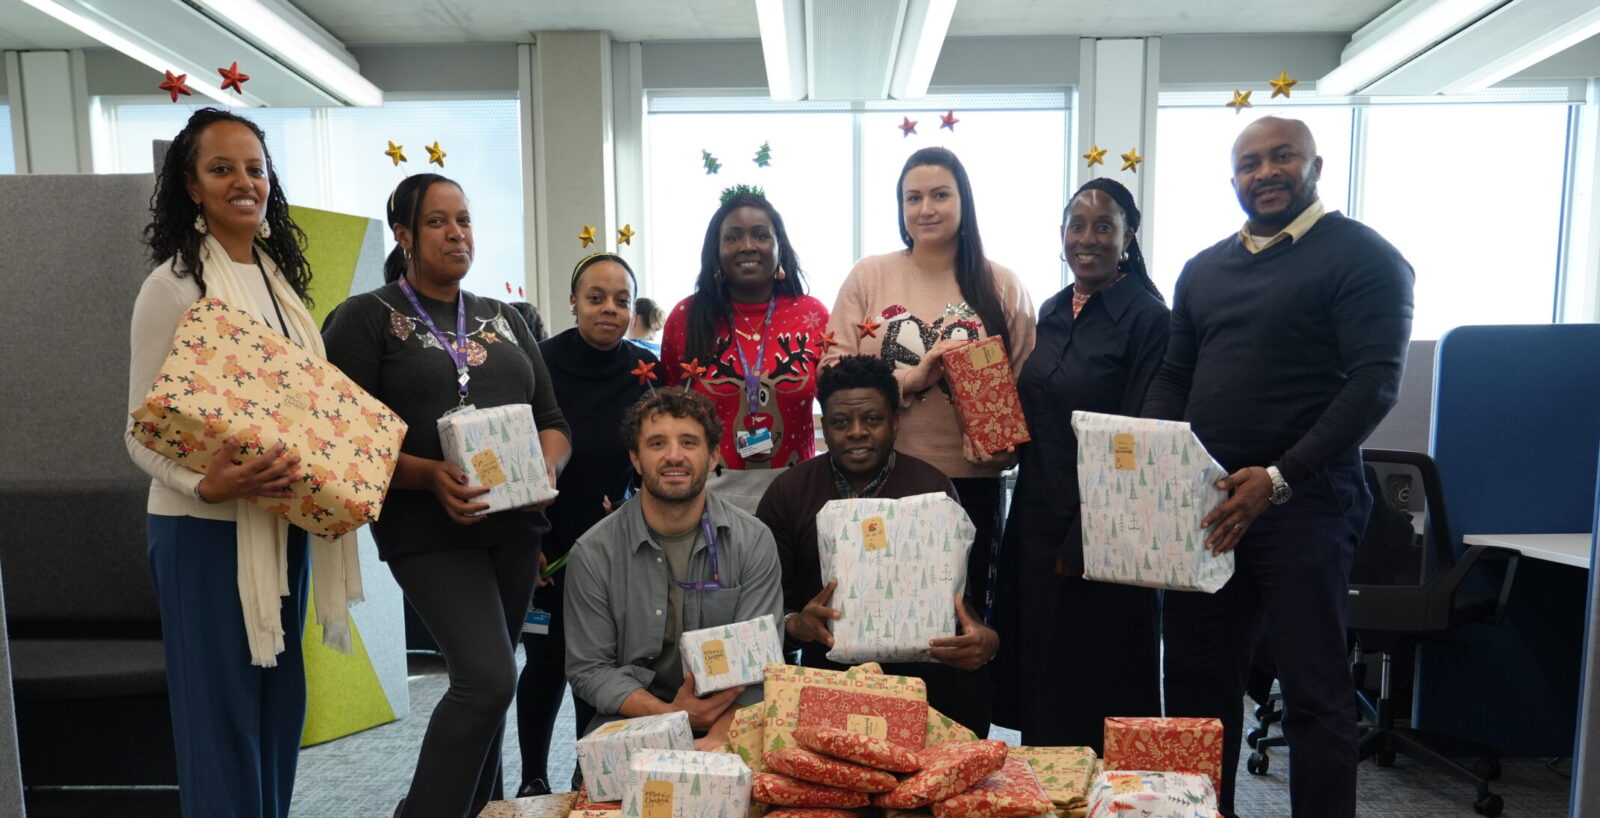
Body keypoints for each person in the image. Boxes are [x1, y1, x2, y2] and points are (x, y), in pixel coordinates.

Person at [1143, 116, 1414, 818]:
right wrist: (1147, 455)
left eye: (1281, 156)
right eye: (1249, 162)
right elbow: (1176, 373)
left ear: (1314, 165)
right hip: (1208, 506)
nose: (1265, 172)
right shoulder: (1204, 268)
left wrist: (1280, 477)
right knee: (1198, 682)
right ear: (1232, 179)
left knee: (1313, 691)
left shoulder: (1364, 258)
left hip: (1307, 505)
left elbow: (1374, 385)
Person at [126, 107, 358, 817]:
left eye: (254, 168)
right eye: (221, 169)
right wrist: (207, 482)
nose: (243, 182)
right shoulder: (173, 287)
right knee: (219, 725)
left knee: (276, 715)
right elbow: (138, 434)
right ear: (191, 186)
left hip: (277, 527)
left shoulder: (280, 283)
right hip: (200, 532)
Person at [321, 172, 572, 818]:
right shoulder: (367, 318)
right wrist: (430, 475)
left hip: (515, 526)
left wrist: (545, 470)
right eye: (437, 221)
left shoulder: (504, 316)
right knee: (488, 679)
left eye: (463, 220)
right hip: (428, 529)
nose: (456, 232)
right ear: (403, 234)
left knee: (487, 687)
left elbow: (554, 421)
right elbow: (342, 441)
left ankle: (480, 809)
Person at [982, 178, 1169, 751]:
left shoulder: (1148, 318)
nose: (1087, 239)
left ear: (1128, 236)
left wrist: (1089, 532)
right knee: (1042, 672)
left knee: (1094, 679)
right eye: (1076, 225)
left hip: (1102, 534)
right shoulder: (1056, 309)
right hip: (1035, 518)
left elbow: (1141, 440)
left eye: (1104, 226)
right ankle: (1047, 794)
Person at [826, 147, 1036, 631]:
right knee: (878, 617)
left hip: (971, 483)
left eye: (940, 195)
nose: (926, 208)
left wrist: (1008, 444)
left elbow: (1026, 383)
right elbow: (832, 369)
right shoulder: (870, 274)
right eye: (912, 197)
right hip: (881, 478)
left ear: (964, 202)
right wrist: (909, 380)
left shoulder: (1001, 284)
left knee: (958, 623)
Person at [756, 355, 999, 737]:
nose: (856, 432)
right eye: (840, 422)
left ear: (895, 423)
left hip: (927, 672)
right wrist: (796, 624)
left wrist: (983, 638)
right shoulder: (788, 493)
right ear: (825, 426)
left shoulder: (934, 488)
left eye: (872, 419)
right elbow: (765, 609)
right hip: (832, 670)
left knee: (968, 688)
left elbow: (958, 601)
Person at [564, 388, 785, 748]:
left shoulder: (753, 540)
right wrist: (671, 717)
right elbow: (589, 670)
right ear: (635, 458)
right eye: (656, 444)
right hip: (633, 718)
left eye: (688, 442)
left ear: (713, 456)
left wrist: (714, 742)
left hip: (733, 716)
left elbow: (760, 664)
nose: (673, 456)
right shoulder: (593, 552)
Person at [513, 253, 658, 797]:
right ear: (572, 302)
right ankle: (532, 776)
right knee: (545, 662)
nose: (609, 309)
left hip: (611, 545)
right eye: (596, 297)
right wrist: (528, 543)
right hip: (543, 543)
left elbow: (651, 455)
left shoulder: (646, 370)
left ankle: (586, 775)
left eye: (622, 299)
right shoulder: (537, 364)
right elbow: (519, 459)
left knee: (595, 666)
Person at [659, 188, 829, 513]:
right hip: (707, 495)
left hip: (799, 492)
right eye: (733, 237)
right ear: (716, 250)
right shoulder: (686, 317)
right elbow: (670, 412)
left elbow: (837, 402)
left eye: (761, 235)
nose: (747, 246)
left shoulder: (813, 315)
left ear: (779, 246)